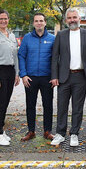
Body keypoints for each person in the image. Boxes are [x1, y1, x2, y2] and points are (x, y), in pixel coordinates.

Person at [50, 8, 86, 146]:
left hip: (81, 77)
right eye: (69, 18)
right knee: (62, 107)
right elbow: (55, 57)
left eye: (74, 17)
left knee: (77, 108)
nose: (72, 20)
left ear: (80, 19)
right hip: (64, 77)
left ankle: (74, 134)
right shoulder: (61, 35)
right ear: (66, 20)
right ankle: (60, 134)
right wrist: (54, 76)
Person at [18, 13, 55, 141]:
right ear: (33, 23)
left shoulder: (52, 38)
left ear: (45, 23)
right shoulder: (27, 38)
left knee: (48, 105)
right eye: (36, 21)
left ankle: (47, 131)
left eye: (41, 21)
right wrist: (23, 75)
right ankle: (31, 131)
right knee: (30, 105)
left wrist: (54, 76)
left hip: (47, 78)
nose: (39, 23)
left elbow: (56, 59)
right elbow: (21, 56)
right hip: (30, 78)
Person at [0, 9, 20, 146]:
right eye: (0, 19)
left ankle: (1, 129)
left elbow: (16, 56)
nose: (3, 21)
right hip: (0, 71)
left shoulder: (12, 36)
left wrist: (17, 73)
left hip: (10, 71)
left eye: (5, 18)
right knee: (0, 103)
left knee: (5, 102)